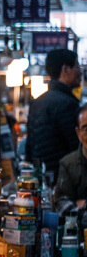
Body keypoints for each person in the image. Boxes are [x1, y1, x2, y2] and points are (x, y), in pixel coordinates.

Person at [26, 49, 82, 182]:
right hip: (63, 179)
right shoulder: (68, 103)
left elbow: (29, 146)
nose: (80, 72)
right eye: (77, 66)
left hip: (40, 178)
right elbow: (76, 147)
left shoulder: (37, 102)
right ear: (66, 69)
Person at [55, 105, 87, 216]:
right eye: (86, 129)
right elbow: (61, 204)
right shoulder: (68, 164)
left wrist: (83, 205)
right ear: (78, 133)